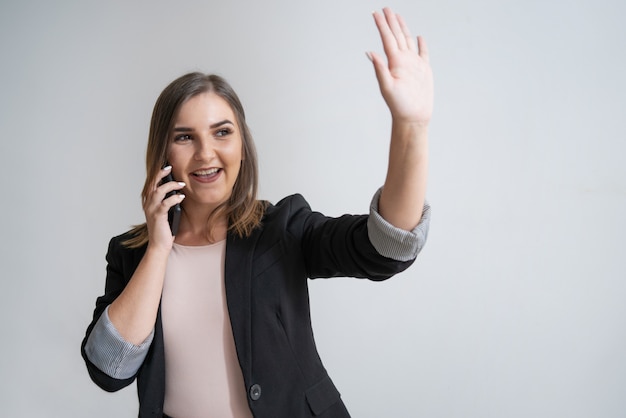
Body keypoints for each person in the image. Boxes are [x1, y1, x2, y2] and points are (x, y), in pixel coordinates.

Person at [81, 7, 433, 418]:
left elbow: (385, 247)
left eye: (222, 132)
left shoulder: (281, 230)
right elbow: (108, 369)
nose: (206, 153)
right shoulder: (130, 253)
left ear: (242, 146)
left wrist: (411, 127)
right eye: (184, 137)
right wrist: (159, 248)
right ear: (164, 153)